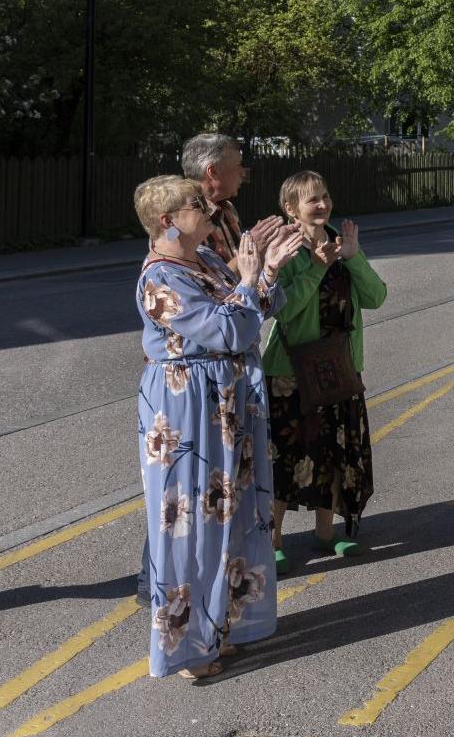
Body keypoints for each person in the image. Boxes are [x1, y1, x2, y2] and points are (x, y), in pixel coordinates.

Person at [133, 174, 301, 680]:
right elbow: (228, 328)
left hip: (226, 400)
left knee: (230, 514)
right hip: (186, 408)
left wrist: (266, 271)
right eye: (196, 204)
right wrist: (249, 283)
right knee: (190, 524)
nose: (209, 209)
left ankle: (217, 630)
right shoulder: (159, 277)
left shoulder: (202, 259)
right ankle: (185, 650)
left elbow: (261, 311)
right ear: (167, 221)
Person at [266, 171, 388, 568]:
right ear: (290, 209)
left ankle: (325, 533)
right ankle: (273, 539)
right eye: (311, 200)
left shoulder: (340, 240)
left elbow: (375, 297)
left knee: (334, 451)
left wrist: (352, 258)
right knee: (287, 455)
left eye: (325, 196)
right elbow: (281, 309)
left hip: (339, 365)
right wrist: (316, 267)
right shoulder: (284, 247)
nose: (322, 205)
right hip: (291, 371)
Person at [181, 133, 247, 264]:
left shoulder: (227, 208)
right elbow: (203, 282)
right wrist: (250, 251)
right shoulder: (181, 218)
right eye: (238, 165)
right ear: (213, 171)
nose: (243, 173)